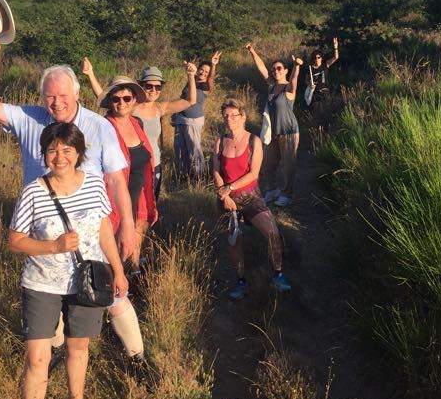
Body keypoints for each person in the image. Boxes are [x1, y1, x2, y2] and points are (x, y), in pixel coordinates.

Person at [0, 37, 142, 365]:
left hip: (92, 232)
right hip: (44, 235)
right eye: (50, 96)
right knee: (51, 292)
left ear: (78, 94)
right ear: (42, 98)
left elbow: (116, 180)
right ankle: (52, 357)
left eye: (63, 95)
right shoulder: (30, 119)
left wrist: (129, 227)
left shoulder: (98, 127)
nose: (57, 102)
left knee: (113, 294)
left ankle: (137, 358)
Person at [8, 122, 128, 399]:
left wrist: (118, 269)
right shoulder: (34, 191)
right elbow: (15, 241)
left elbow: (105, 227)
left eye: (67, 150)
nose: (59, 157)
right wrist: (53, 246)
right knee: (38, 358)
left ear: (78, 153)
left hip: (87, 282)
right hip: (42, 283)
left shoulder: (93, 183)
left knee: (79, 347)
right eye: (52, 150)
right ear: (44, 153)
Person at [81, 60, 197, 201]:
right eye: (149, 86)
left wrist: (191, 76)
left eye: (158, 87)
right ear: (141, 86)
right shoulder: (130, 105)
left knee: (150, 203)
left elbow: (190, 101)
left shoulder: (160, 108)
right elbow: (105, 97)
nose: (153, 90)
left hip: (154, 164)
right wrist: (90, 74)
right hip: (131, 165)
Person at [213, 99, 290, 299]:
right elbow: (215, 171)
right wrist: (224, 195)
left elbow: (253, 174)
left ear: (243, 117)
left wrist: (228, 188)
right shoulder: (220, 142)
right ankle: (241, 281)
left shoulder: (253, 141)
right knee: (234, 242)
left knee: (272, 232)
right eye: (225, 116)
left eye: (233, 115)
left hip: (250, 196)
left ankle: (278, 274)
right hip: (227, 199)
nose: (229, 119)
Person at [96, 76, 158, 275]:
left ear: (134, 101)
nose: (121, 103)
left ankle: (133, 275)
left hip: (138, 193)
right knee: (113, 245)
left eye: (127, 98)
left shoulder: (136, 123)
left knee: (135, 235)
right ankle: (113, 285)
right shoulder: (104, 127)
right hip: (113, 197)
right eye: (116, 99)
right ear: (110, 102)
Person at [245, 42, 302, 207]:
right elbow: (261, 68)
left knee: (288, 165)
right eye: (274, 69)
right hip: (273, 132)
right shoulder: (272, 86)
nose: (275, 71)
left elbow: (294, 79)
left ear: (284, 70)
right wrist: (252, 51)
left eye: (279, 68)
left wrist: (296, 66)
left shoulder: (288, 89)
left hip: (289, 132)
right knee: (267, 164)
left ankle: (287, 193)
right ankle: (272, 189)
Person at [171, 51, 220, 182]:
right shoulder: (191, 80)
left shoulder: (205, 87)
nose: (203, 73)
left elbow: (211, 80)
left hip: (193, 121)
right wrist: (175, 115)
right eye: (201, 70)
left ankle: (199, 176)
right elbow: (183, 98)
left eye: (206, 72)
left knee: (194, 149)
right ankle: (182, 175)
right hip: (181, 119)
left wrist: (213, 65)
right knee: (180, 149)